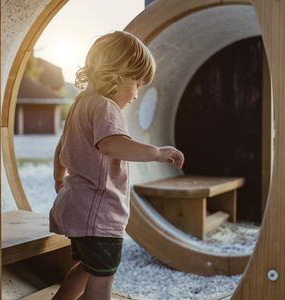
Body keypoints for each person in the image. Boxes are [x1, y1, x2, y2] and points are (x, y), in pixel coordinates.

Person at [49, 30, 185, 300]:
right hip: (98, 215)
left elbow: (60, 148)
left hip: (76, 207)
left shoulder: (80, 104)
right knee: (102, 280)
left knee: (86, 268)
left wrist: (58, 178)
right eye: (137, 82)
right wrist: (157, 152)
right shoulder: (106, 108)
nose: (136, 94)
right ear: (117, 74)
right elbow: (112, 144)